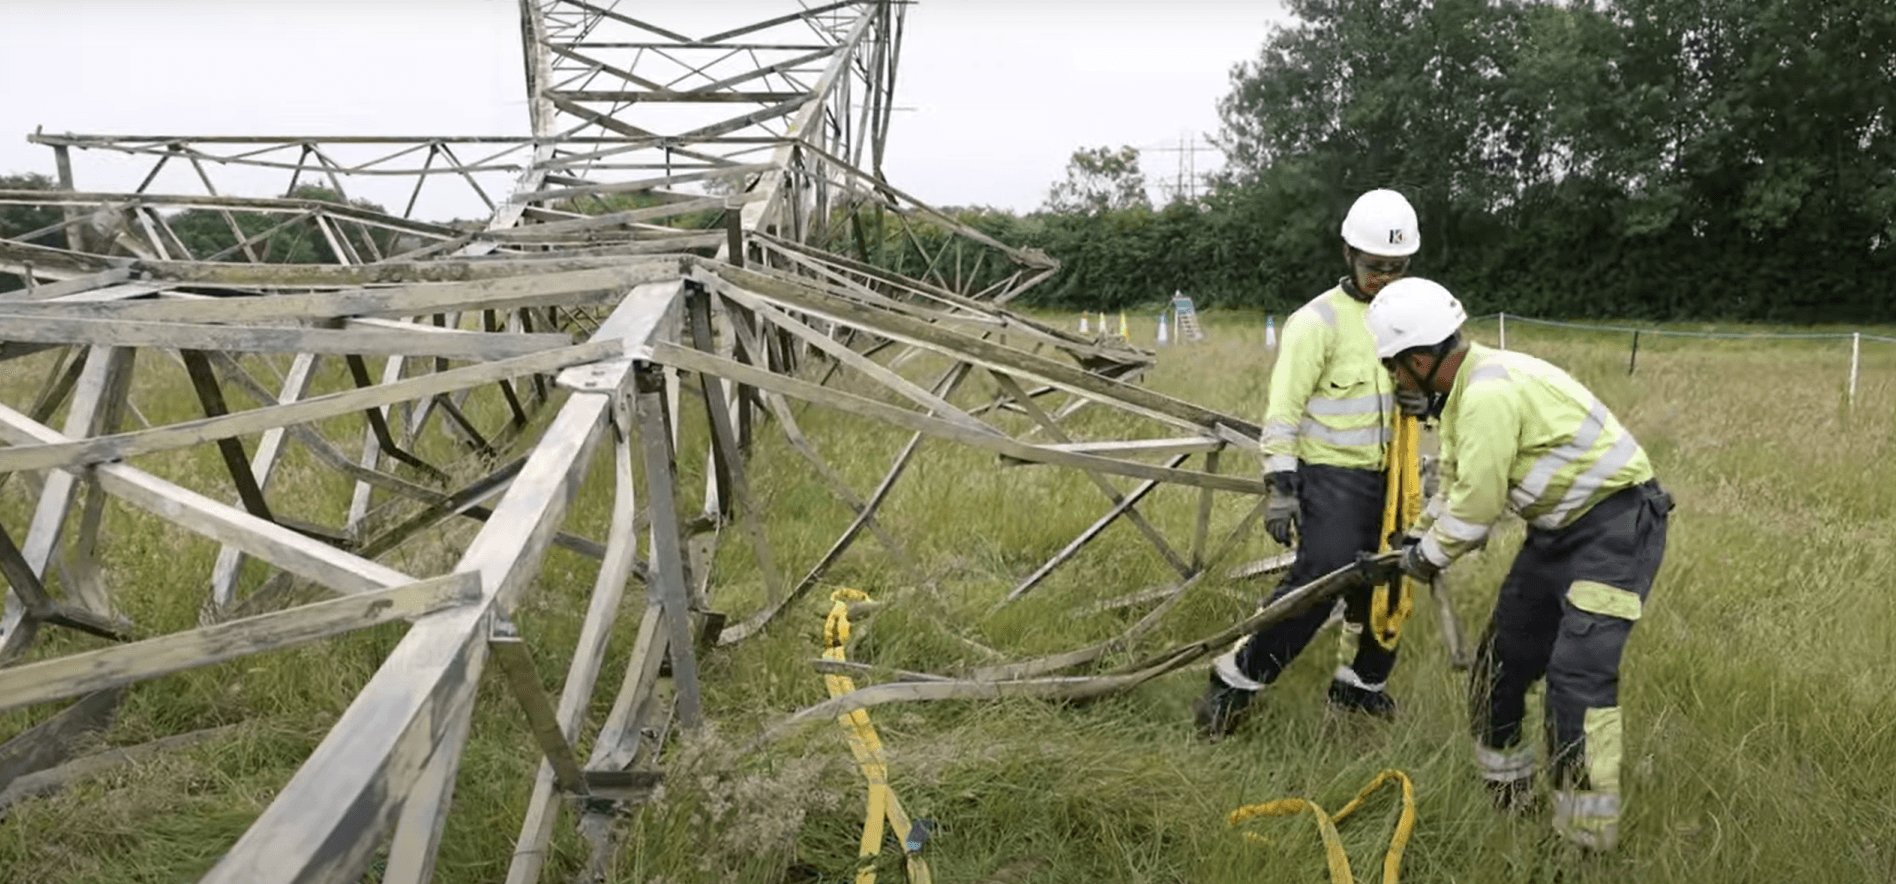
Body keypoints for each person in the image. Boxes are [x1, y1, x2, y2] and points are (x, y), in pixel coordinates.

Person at [1365, 277, 1673, 851]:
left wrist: (1423, 560)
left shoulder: (1487, 394)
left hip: (1616, 531)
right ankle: (1508, 795)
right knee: (1500, 664)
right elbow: (1457, 484)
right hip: (1556, 534)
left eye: (1394, 368)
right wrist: (1412, 538)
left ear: (1421, 358)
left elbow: (1478, 511)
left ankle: (1585, 842)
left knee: (1576, 683)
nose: (1395, 382)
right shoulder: (1463, 394)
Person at [1192, 188, 1427, 740]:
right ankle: (1235, 684)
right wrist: (1280, 485)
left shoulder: (1414, 320)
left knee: (1390, 582)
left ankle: (1359, 689)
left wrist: (1429, 402)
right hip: (1331, 477)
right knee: (1318, 581)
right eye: (1375, 267)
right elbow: (1283, 412)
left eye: (1396, 269)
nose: (1384, 279)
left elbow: (1437, 379)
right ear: (1348, 253)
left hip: (1393, 478)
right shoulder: (1315, 322)